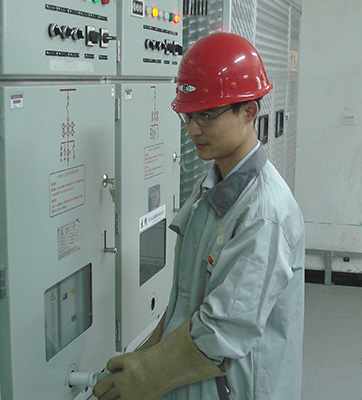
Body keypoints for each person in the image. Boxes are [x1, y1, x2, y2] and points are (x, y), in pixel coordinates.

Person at [93, 32, 305, 400]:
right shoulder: (211, 186)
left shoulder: (264, 214)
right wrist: (145, 355)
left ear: (249, 112)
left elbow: (223, 330)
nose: (193, 129)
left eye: (207, 115)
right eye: (189, 115)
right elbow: (186, 300)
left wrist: (146, 374)